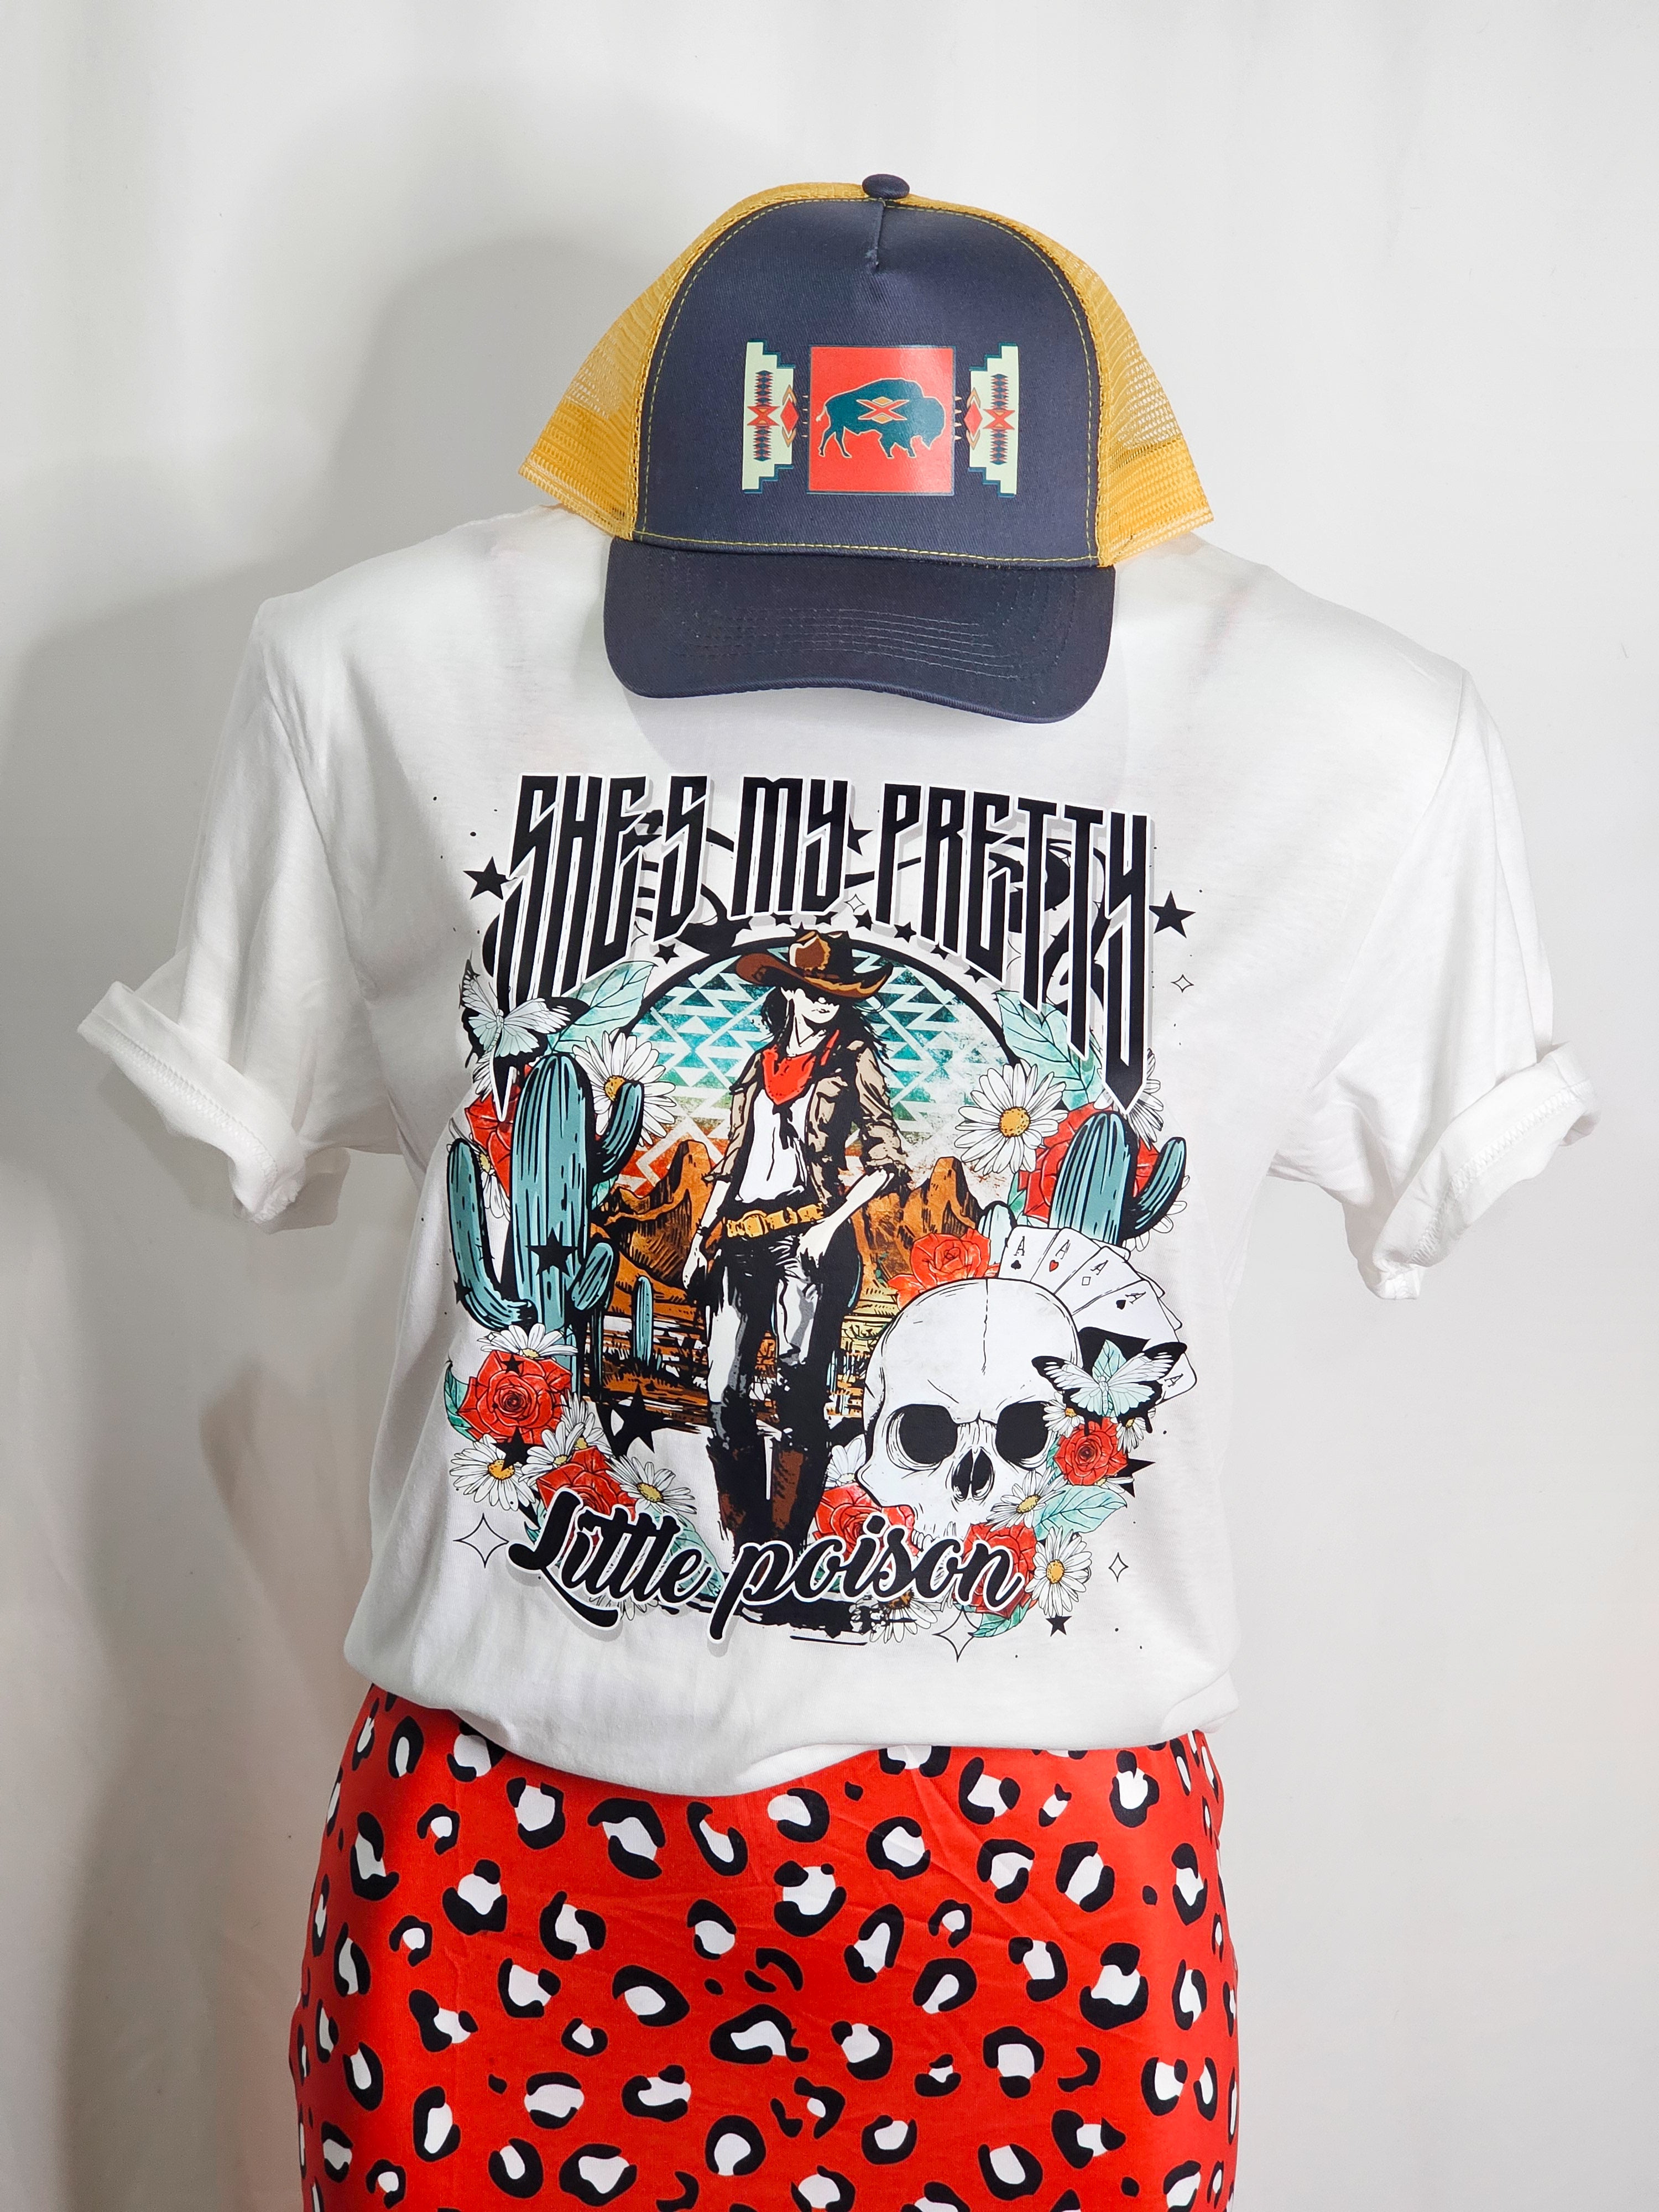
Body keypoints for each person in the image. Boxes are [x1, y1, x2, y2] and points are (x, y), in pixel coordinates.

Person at [685, 930, 905, 1550]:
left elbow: (887, 1159)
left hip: (805, 1240)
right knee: (723, 1389)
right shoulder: (759, 1065)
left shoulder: (852, 1060)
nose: (823, 1001)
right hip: (739, 1238)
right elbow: (734, 1161)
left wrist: (830, 1225)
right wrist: (703, 1236)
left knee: (797, 1388)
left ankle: (784, 1543)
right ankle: (743, 1537)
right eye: (812, 989)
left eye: (835, 993)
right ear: (787, 990)